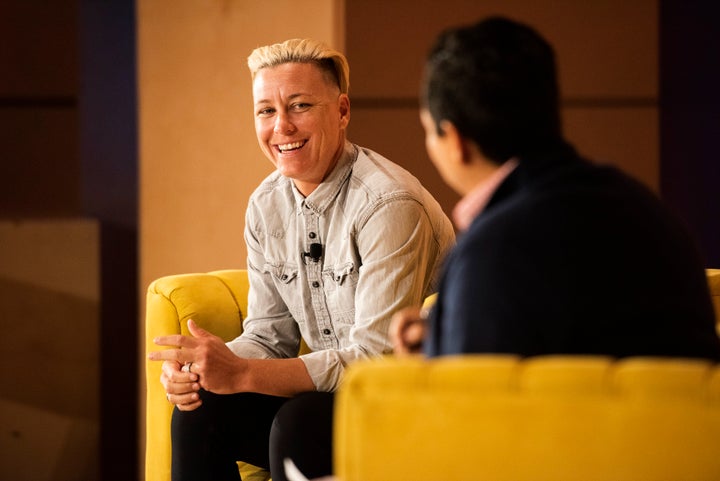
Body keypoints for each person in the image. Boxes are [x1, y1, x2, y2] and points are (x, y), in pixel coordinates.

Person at [149, 38, 455, 481]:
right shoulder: (265, 205)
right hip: (324, 405)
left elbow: (374, 362)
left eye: (299, 106)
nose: (282, 127)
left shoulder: (388, 204)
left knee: (301, 421)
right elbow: (269, 336)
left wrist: (243, 373)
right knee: (202, 409)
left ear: (342, 111)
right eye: (265, 111)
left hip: (408, 406)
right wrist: (204, 371)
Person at [391, 17, 720, 361]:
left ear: (455, 141)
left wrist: (441, 350)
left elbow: (473, 398)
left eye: (428, 130)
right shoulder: (650, 211)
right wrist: (447, 332)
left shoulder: (492, 251)